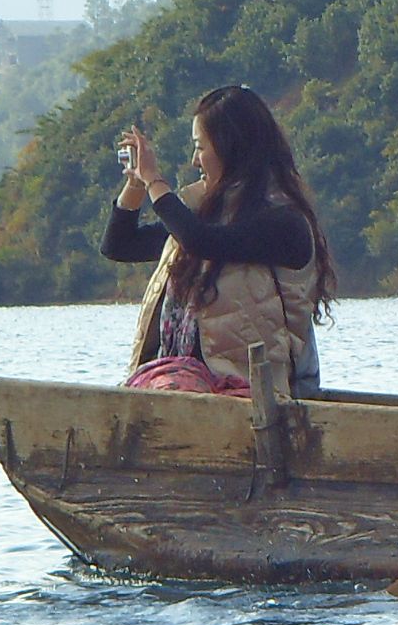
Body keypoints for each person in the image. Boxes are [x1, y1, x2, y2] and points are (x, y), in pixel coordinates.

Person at [105, 84, 336, 395]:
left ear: (232, 147)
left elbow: (200, 241)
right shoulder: (204, 217)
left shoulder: (283, 222)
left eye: (200, 147)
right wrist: (136, 184)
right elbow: (120, 244)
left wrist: (155, 182)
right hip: (191, 386)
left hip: (260, 391)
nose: (194, 161)